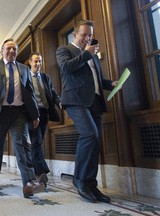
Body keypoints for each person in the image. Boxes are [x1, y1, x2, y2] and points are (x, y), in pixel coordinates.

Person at [56, 20, 118, 203]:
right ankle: (80, 180)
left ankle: (91, 184)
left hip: (95, 101)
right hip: (75, 100)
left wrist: (110, 84)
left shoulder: (93, 55)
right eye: (84, 35)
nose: (87, 38)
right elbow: (66, 68)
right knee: (89, 135)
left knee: (95, 142)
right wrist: (86, 54)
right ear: (75, 35)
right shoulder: (64, 50)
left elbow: (96, 78)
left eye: (90, 35)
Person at [0, 38, 45, 198]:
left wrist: (35, 114)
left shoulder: (24, 69)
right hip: (0, 112)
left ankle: (28, 183)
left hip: (19, 113)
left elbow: (30, 93)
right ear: (2, 51)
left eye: (14, 49)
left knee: (22, 145)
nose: (11, 51)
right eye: (8, 48)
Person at [28, 52, 61, 185]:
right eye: (35, 61)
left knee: (38, 141)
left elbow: (52, 92)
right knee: (36, 141)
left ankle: (34, 171)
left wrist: (59, 101)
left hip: (45, 112)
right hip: (33, 113)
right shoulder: (26, 77)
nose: (38, 64)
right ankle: (41, 172)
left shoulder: (45, 77)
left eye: (40, 61)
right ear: (30, 62)